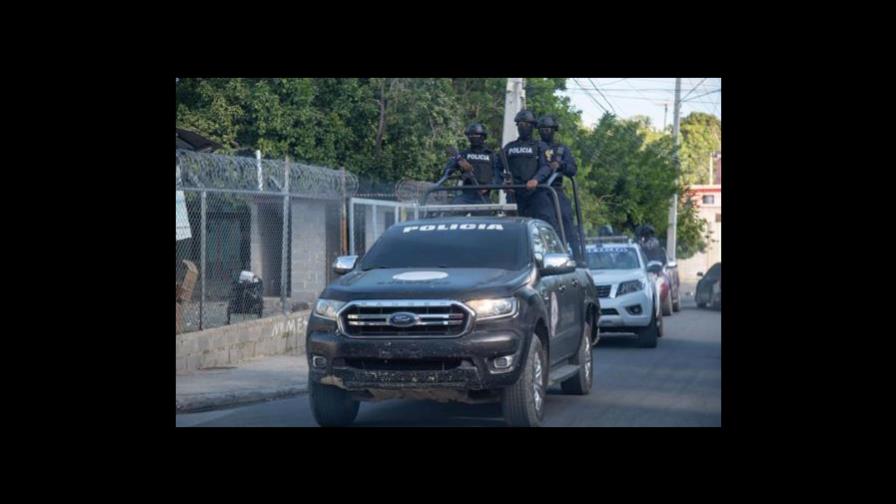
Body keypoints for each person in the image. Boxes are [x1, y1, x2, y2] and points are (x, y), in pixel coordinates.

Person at [537, 114, 581, 260]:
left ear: (554, 130)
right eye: (542, 129)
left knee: (567, 219)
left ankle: (577, 256)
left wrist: (560, 165)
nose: (545, 132)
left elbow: (573, 169)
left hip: (555, 190)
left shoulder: (561, 149)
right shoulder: (535, 147)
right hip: (537, 191)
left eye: (548, 129)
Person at [496, 109, 551, 219]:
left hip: (536, 192)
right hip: (514, 193)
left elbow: (546, 167)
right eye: (520, 124)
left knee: (543, 221)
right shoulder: (509, 147)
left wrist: (536, 179)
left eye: (526, 124)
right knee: (513, 225)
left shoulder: (540, 146)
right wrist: (503, 183)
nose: (523, 126)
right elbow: (496, 168)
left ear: (533, 126)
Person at [443, 123, 501, 205]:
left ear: (483, 136)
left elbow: (498, 177)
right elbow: (447, 172)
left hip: (483, 196)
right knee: (451, 213)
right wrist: (458, 162)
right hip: (466, 196)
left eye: (476, 135)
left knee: (487, 216)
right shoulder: (463, 154)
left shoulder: (491, 155)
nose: (473, 137)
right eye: (470, 135)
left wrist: (488, 186)